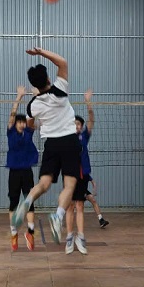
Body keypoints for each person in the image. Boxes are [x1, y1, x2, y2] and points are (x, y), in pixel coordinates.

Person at [11, 48, 81, 244]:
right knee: (70, 184)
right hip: (69, 141)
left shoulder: (32, 105)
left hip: (51, 144)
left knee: (43, 184)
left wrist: (37, 100)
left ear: (34, 85)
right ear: (49, 78)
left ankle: (26, 202)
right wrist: (40, 52)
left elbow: (30, 125)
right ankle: (58, 216)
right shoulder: (60, 90)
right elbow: (63, 62)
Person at [6, 87, 39, 251]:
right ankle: (14, 234)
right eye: (19, 122)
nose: (20, 124)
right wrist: (19, 97)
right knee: (13, 202)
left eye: (22, 122)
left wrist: (35, 97)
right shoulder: (11, 132)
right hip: (14, 172)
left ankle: (30, 232)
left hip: (27, 171)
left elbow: (32, 116)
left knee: (29, 201)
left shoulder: (28, 133)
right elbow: (12, 115)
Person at [65, 89, 95, 255]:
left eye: (79, 124)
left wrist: (88, 102)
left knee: (80, 205)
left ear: (81, 127)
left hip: (82, 175)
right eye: (74, 123)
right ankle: (70, 237)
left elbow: (91, 119)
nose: (76, 126)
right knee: (70, 206)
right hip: (69, 176)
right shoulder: (65, 137)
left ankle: (81, 237)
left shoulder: (84, 136)